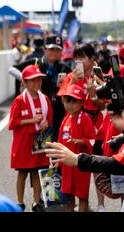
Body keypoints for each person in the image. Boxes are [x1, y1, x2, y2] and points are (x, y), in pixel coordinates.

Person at [8, 34, 71, 141]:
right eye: (51, 49)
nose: (54, 53)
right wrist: (26, 80)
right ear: (44, 49)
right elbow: (11, 69)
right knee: (38, 151)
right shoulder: (35, 63)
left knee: (57, 150)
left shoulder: (65, 67)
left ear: (61, 52)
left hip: (59, 114)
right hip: (39, 116)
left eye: (57, 50)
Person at [8, 65, 52, 212]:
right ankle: (19, 202)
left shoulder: (45, 98)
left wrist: (46, 123)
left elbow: (49, 118)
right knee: (22, 174)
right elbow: (13, 123)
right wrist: (31, 120)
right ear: (25, 82)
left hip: (39, 142)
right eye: (33, 81)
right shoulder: (19, 101)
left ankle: (36, 201)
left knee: (36, 172)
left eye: (39, 80)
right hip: (23, 144)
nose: (37, 83)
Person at [54, 84, 96, 212]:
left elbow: (92, 140)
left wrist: (81, 141)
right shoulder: (65, 119)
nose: (70, 104)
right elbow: (61, 141)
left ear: (82, 103)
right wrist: (58, 161)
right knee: (68, 196)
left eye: (74, 101)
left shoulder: (85, 118)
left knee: (82, 196)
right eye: (67, 101)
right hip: (67, 166)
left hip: (81, 164)